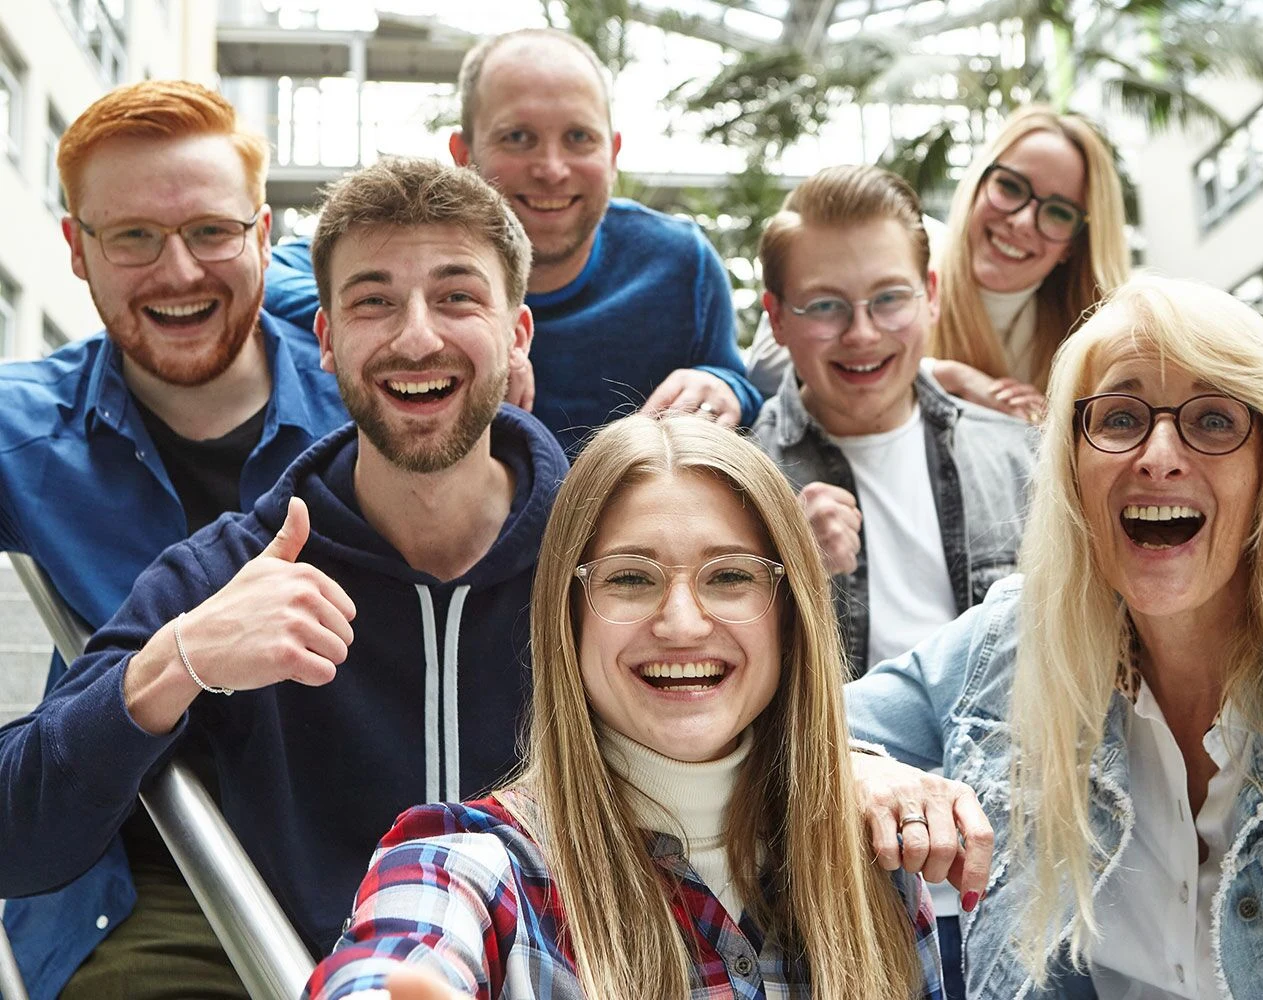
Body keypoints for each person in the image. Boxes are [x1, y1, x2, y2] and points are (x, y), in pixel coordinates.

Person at [0, 158, 569, 985]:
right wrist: (178, 660)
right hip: (293, 972)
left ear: (516, 331)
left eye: (457, 297)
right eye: (374, 301)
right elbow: (15, 834)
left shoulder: (609, 548)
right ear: (328, 342)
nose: (416, 337)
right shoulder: (233, 568)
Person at [847, 275, 1263, 999]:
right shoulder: (1008, 647)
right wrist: (861, 767)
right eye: (1119, 417)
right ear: (1074, 467)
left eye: (1211, 420)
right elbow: (795, 731)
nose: (1160, 454)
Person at [305, 414, 946, 1000]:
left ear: (788, 614)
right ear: (570, 617)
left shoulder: (875, 863)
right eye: (631, 579)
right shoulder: (479, 866)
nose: (683, 623)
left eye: (730, 576)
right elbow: (392, 956)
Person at [0, 80, 349, 999]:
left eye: (210, 232)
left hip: (376, 844)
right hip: (156, 874)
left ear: (263, 236)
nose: (180, 272)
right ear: (77, 249)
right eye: (134, 238)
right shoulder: (20, 436)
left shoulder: (375, 387)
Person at [264, 28, 761, 455]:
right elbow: (266, 267)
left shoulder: (679, 263)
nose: (550, 168)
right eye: (518, 138)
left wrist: (724, 387)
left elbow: (736, 379)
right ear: (464, 154)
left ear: (612, 154)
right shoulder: (416, 249)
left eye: (578, 138)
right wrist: (413, 319)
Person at [751, 164, 1033, 677]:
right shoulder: (737, 485)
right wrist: (776, 567)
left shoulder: (1025, 460)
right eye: (824, 305)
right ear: (778, 319)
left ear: (931, 297)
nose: (861, 333)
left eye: (888, 299)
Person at [746, 106, 1130, 421]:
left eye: (1059, 212)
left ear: (1074, 244)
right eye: (1011, 187)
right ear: (978, 184)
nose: (1022, 221)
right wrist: (943, 377)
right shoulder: (899, 248)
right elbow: (766, 366)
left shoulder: (1089, 336)